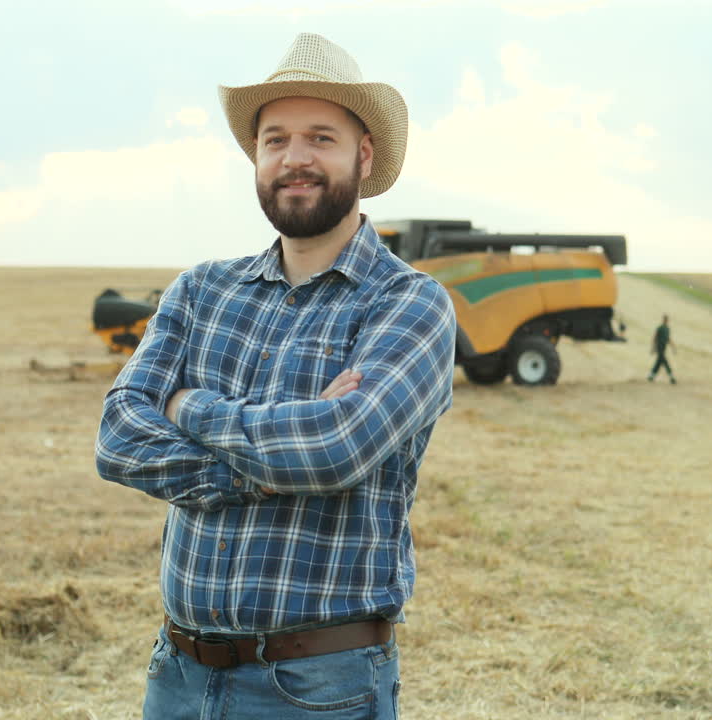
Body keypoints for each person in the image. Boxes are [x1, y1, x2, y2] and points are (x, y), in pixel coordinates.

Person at [95, 33, 455, 720]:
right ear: (256, 157)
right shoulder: (202, 290)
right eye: (275, 140)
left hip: (319, 685)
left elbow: (333, 449)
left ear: (364, 153)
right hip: (177, 676)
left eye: (321, 137)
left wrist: (188, 405)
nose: (295, 159)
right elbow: (117, 438)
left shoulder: (408, 302)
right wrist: (267, 460)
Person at [647, 314, 677, 384]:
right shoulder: (660, 328)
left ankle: (651, 375)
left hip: (664, 348)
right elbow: (655, 337)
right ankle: (671, 377)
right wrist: (653, 347)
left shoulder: (667, 329)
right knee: (665, 362)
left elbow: (668, 339)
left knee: (659, 362)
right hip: (659, 347)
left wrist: (673, 347)